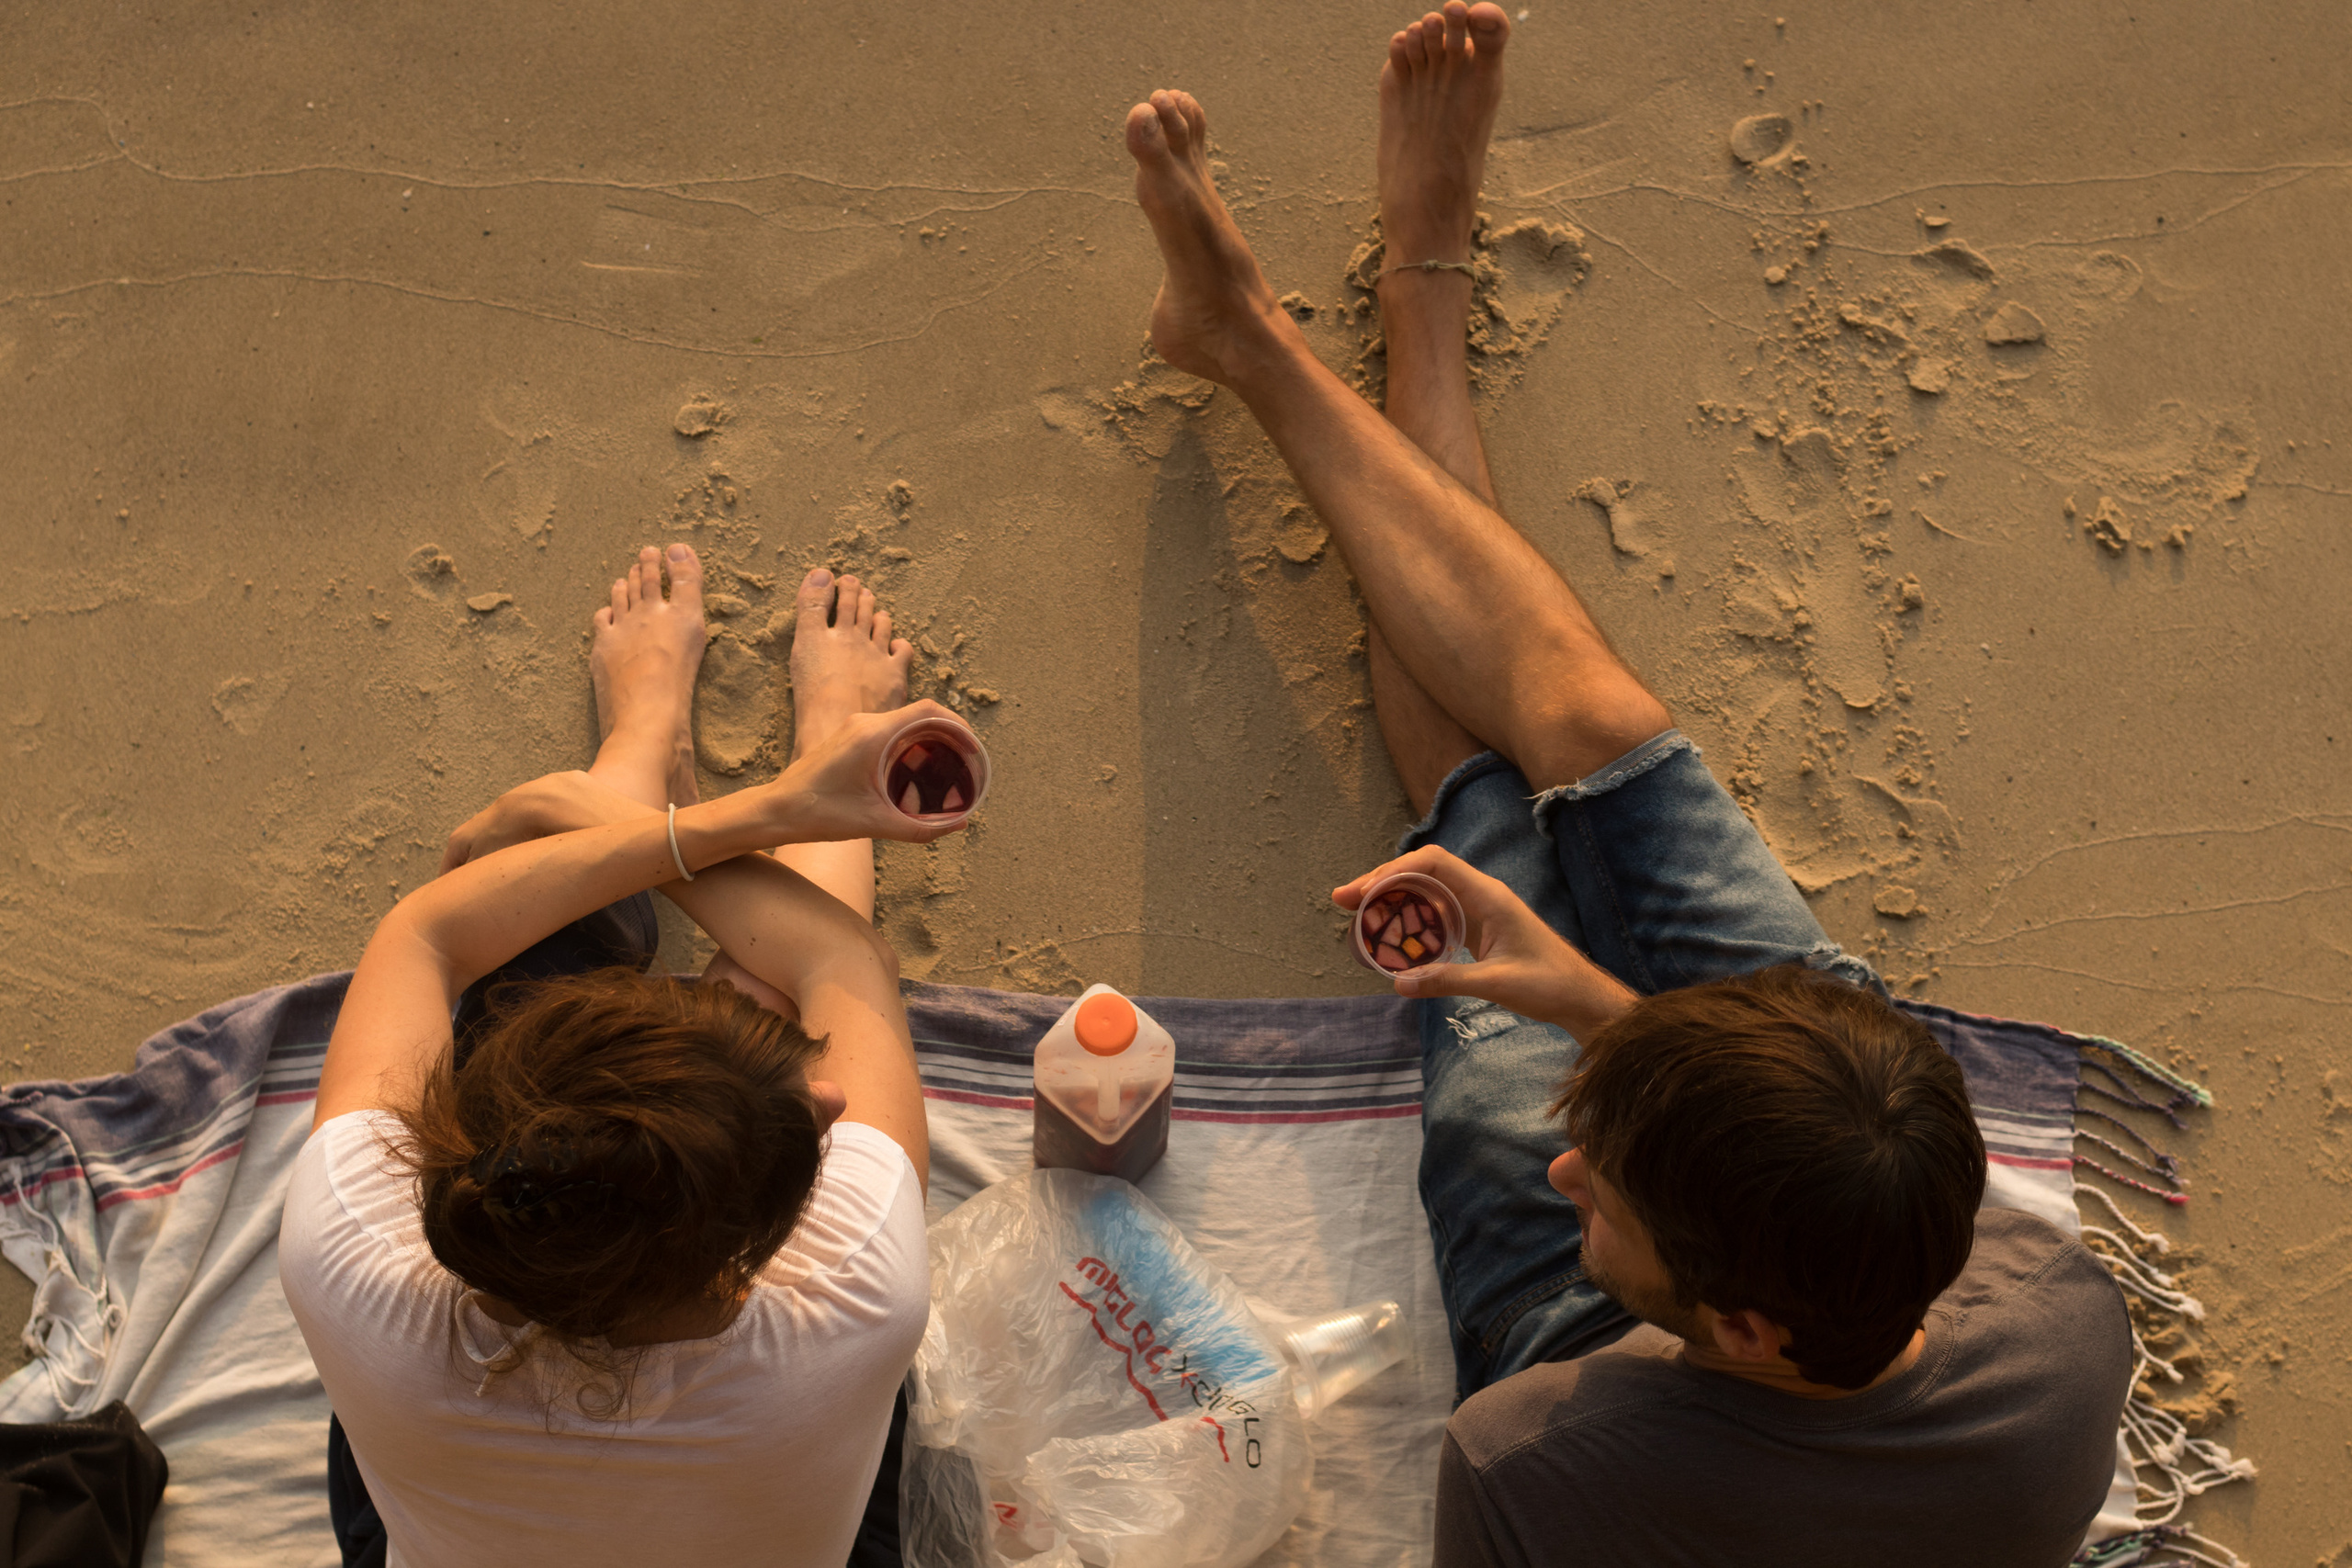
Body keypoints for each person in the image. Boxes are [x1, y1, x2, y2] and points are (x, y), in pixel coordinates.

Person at [1120, 6, 2132, 1563]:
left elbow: (1636, 1216)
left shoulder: (1555, 1450)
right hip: (1829, 1111)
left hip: (1583, 1311)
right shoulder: (2057, 1326)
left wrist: (1562, 998)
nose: (1570, 1161)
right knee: (1591, 720)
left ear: (1732, 1329)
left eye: (1606, 1182)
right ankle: (1317, 321)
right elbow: (1851, 1182)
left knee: (1488, 809)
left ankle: (1383, 311)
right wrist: (1586, 1004)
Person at [279, 547, 952, 1568]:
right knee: (771, 988)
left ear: (467, 1124)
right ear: (766, 1234)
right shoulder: (850, 1305)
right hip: (780, 1486)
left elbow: (428, 935)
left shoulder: (358, 1276)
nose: (827, 1096)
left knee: (544, 949)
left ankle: (637, 747)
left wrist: (653, 817)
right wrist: (741, 815)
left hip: (435, 1464)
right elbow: (839, 961)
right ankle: (775, 760)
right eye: (812, 1107)